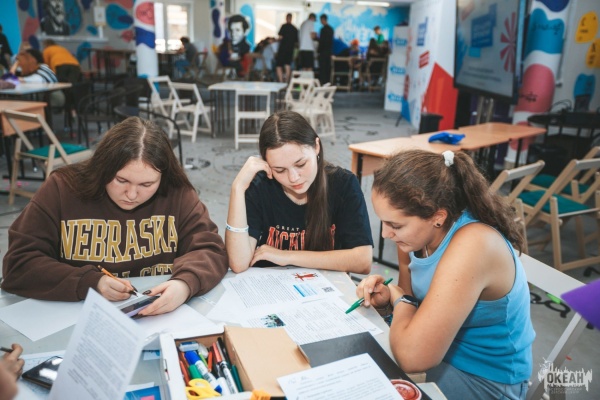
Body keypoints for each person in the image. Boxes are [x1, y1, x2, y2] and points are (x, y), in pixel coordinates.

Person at [2, 117, 229, 317]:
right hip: (72, 318)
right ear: (103, 167)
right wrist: (90, 281)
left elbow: (211, 250)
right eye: (121, 180)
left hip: (159, 320)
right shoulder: (62, 188)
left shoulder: (177, 193)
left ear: (163, 177)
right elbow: (19, 263)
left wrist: (185, 284)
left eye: (146, 184)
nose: (131, 195)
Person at [356, 150, 535, 400]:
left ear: (437, 217)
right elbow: (412, 306)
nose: (385, 234)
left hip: (486, 379)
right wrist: (390, 301)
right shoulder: (414, 237)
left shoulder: (474, 245)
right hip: (440, 355)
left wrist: (400, 300)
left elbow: (413, 357)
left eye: (395, 225)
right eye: (383, 222)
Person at [226, 110, 373, 273]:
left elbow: (363, 260)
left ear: (316, 147)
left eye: (301, 164)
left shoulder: (343, 184)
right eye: (280, 170)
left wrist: (287, 256)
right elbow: (238, 264)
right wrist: (237, 188)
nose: (293, 178)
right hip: (272, 284)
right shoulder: (261, 186)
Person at [275, 13, 298, 83]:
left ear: (286, 18)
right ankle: (287, 81)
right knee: (287, 65)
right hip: (290, 49)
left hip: (282, 49)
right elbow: (296, 42)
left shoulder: (283, 26)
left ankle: (281, 81)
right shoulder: (294, 29)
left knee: (278, 65)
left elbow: (280, 37)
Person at [317, 14, 333, 85]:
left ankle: (322, 83)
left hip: (323, 52)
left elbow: (322, 42)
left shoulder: (323, 30)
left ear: (323, 20)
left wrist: (318, 51)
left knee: (322, 69)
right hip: (328, 52)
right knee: (327, 68)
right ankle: (327, 83)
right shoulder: (331, 29)